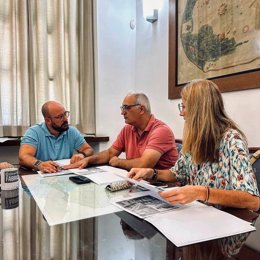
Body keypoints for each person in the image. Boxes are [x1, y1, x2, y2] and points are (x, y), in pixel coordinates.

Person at [128, 79, 260, 211]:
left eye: (184, 106)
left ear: (199, 109)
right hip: (196, 215)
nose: (181, 113)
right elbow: (177, 173)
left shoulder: (232, 140)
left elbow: (252, 201)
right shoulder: (194, 139)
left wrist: (202, 193)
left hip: (225, 221)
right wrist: (152, 173)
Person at [64, 93, 178, 171]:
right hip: (139, 183)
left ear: (141, 109)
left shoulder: (161, 131)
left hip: (163, 187)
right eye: (122, 108)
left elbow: (144, 164)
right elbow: (110, 153)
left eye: (126, 108)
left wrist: (118, 162)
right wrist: (88, 160)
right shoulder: (128, 129)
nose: (122, 113)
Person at [19, 101, 93, 173]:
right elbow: (24, 157)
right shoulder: (34, 132)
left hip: (65, 173)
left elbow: (88, 149)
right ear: (48, 120)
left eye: (65, 114)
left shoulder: (71, 131)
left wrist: (82, 154)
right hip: (40, 175)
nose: (65, 119)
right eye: (60, 117)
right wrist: (39, 164)